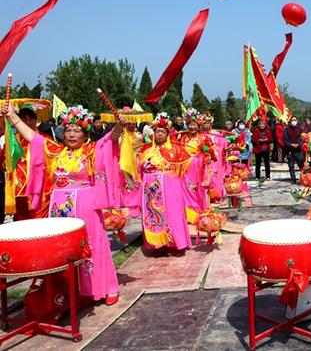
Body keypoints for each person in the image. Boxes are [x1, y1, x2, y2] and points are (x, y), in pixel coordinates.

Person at [3, 103, 124, 305]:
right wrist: (12, 117)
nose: (72, 134)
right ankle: (70, 291)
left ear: (85, 133)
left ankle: (106, 287)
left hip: (86, 205)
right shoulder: (55, 151)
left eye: (77, 130)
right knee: (65, 250)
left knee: (93, 245)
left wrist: (119, 127)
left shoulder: (92, 150)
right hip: (59, 208)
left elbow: (109, 141)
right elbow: (32, 137)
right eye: (68, 129)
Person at [132, 113, 207, 253]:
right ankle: (157, 245)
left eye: (162, 132)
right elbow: (138, 168)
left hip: (170, 187)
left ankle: (175, 243)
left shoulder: (176, 149)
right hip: (150, 190)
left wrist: (202, 158)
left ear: (167, 134)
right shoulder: (147, 151)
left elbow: (190, 163)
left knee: (173, 214)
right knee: (153, 215)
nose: (159, 134)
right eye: (156, 131)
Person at [284, 116, 304, 184]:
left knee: (301, 165)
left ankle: (304, 178)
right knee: (291, 165)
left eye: (295, 120)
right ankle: (293, 179)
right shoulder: (286, 130)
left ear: (297, 121)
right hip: (290, 150)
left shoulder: (301, 129)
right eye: (292, 120)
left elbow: (303, 138)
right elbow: (285, 139)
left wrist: (299, 144)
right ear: (290, 121)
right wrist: (290, 144)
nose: (293, 121)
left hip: (299, 150)